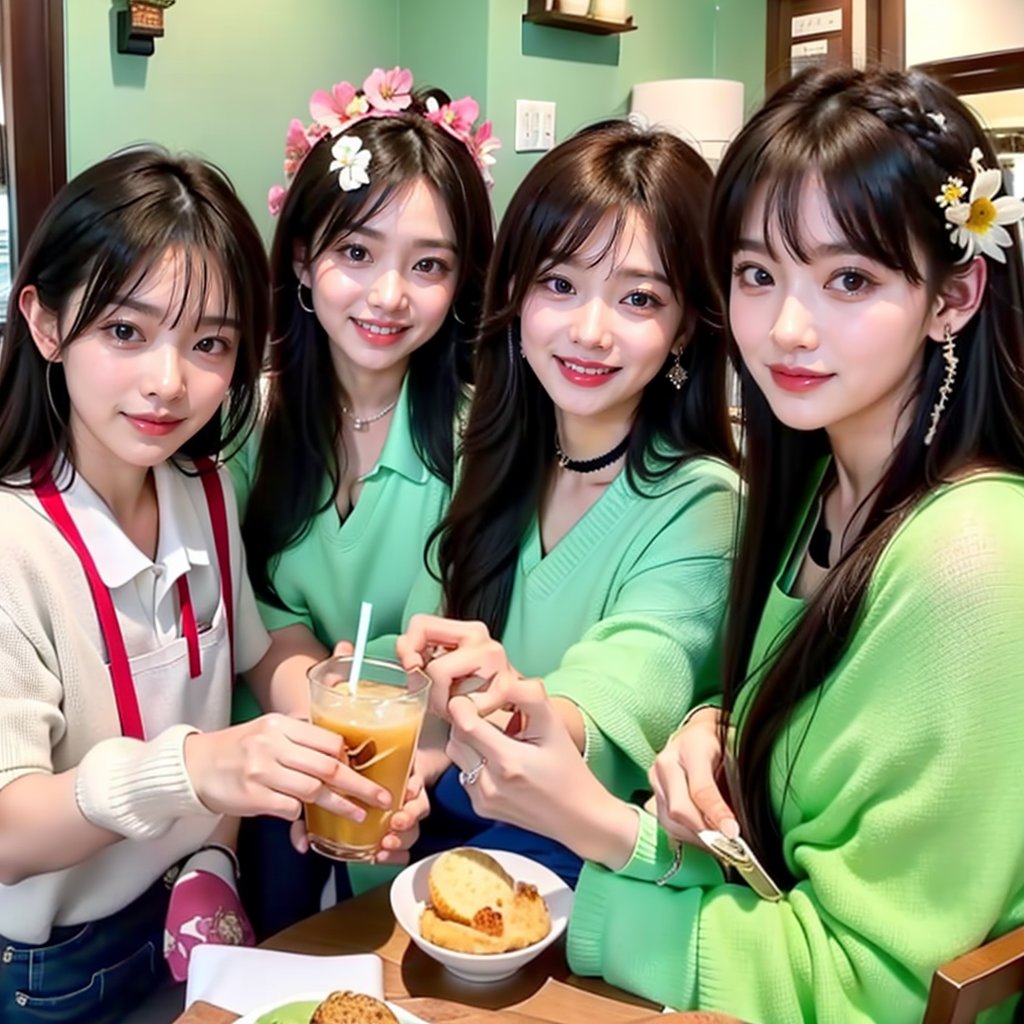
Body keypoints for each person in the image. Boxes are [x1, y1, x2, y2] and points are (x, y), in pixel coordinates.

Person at [419, 66, 1024, 1023]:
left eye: (850, 279)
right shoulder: (820, 495)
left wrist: (602, 852)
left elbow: (882, 988)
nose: (785, 326)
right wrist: (719, 718)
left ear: (953, 298)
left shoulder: (973, 561)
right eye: (758, 274)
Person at [0, 149, 420, 1024]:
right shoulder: (14, 544)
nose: (169, 381)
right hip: (51, 967)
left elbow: (260, 654)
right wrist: (199, 770)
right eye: (125, 331)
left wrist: (335, 739)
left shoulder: (202, 487)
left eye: (210, 344)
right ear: (43, 323)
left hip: (199, 911)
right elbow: (7, 831)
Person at [396, 117, 739, 884]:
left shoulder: (704, 502)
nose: (590, 331)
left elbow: (630, 681)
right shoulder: (486, 453)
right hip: (443, 848)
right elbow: (430, 682)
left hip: (590, 879)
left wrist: (521, 708)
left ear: (685, 328)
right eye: (560, 284)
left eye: (640, 299)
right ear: (516, 295)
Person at [229, 67, 497, 935]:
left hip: (423, 768)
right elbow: (255, 622)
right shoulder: (242, 424)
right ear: (304, 257)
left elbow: (468, 641)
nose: (388, 296)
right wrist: (319, 740)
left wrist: (408, 767)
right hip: (268, 760)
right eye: (356, 253)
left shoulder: (481, 439)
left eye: (428, 265)